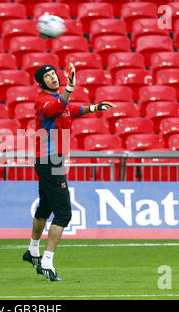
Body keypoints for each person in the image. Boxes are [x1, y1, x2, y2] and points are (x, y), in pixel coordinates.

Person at [22, 64, 116, 281]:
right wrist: (70, 87)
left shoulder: (59, 101)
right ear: (41, 82)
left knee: (45, 206)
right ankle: (46, 263)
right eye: (47, 76)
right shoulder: (44, 100)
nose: (53, 77)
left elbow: (70, 109)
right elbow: (54, 109)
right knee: (64, 213)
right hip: (50, 160)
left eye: (54, 73)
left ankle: (33, 251)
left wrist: (94, 108)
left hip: (50, 160)